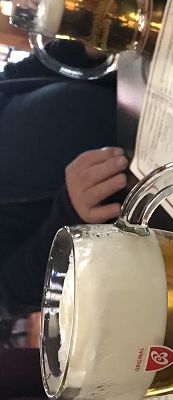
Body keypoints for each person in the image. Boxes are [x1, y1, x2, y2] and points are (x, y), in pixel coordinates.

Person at [0, 39, 125, 317]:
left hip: (136, 99)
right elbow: (13, 292)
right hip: (138, 197)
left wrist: (82, 49)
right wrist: (70, 213)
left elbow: (21, 74)